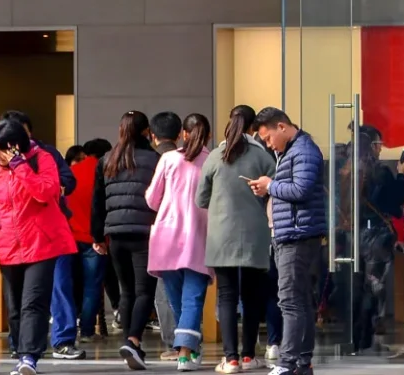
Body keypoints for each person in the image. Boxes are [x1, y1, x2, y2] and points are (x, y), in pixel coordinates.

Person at [0, 116, 78, 375]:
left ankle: (29, 357)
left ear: (13, 147)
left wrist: (20, 166)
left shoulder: (41, 159)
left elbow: (46, 192)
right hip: (7, 245)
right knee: (14, 307)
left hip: (41, 243)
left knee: (33, 302)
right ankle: (19, 351)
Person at [247, 108, 325, 375]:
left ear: (281, 127)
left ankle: (288, 362)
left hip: (297, 235)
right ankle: (302, 362)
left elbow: (301, 190)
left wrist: (270, 186)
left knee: (291, 300)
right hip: (290, 233)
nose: (269, 144)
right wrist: (268, 188)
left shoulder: (303, 151)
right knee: (299, 300)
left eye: (268, 138)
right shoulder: (290, 152)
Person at [197, 106, 273, 375]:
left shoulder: (216, 156)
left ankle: (230, 360)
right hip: (255, 234)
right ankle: (250, 356)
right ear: (254, 127)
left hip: (222, 235)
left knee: (227, 296)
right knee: (252, 297)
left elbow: (200, 199)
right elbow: (274, 191)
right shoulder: (263, 157)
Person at [93, 112, 159, 371]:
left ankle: (129, 345)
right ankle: (132, 339)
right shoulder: (154, 159)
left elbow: (97, 202)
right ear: (146, 132)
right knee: (145, 291)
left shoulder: (107, 160)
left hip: (116, 235)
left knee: (126, 290)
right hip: (144, 233)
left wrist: (97, 236)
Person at [147, 115, 212, 371]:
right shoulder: (213, 160)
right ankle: (186, 353)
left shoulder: (168, 159)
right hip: (199, 236)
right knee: (192, 299)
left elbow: (152, 200)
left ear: (183, 134)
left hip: (167, 236)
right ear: (207, 135)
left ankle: (188, 349)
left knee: (177, 300)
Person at [65, 138, 108, 351]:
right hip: (94, 239)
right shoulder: (104, 172)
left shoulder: (71, 172)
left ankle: (68, 330)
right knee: (92, 286)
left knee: (69, 286)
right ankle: (89, 331)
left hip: (69, 237)